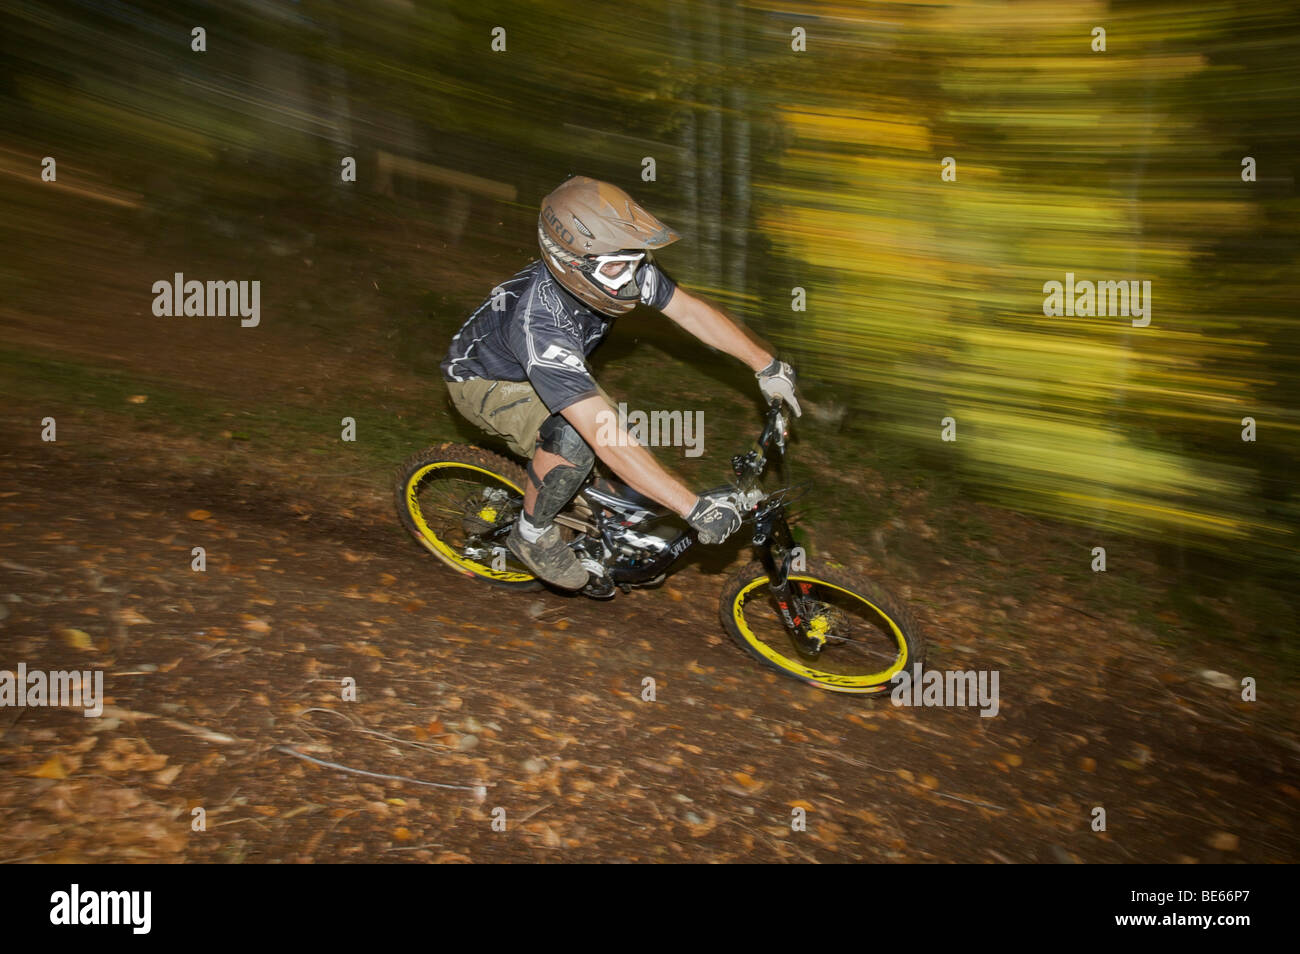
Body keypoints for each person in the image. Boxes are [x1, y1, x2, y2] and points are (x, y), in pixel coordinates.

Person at [440, 175, 801, 589]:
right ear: (570, 263)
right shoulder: (539, 323)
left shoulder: (612, 262)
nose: (631, 280)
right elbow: (600, 434)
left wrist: (766, 365)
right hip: (485, 381)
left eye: (636, 264)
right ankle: (532, 534)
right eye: (618, 269)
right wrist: (692, 508)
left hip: (544, 366)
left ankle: (592, 515)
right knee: (579, 438)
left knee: (612, 436)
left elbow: (690, 313)